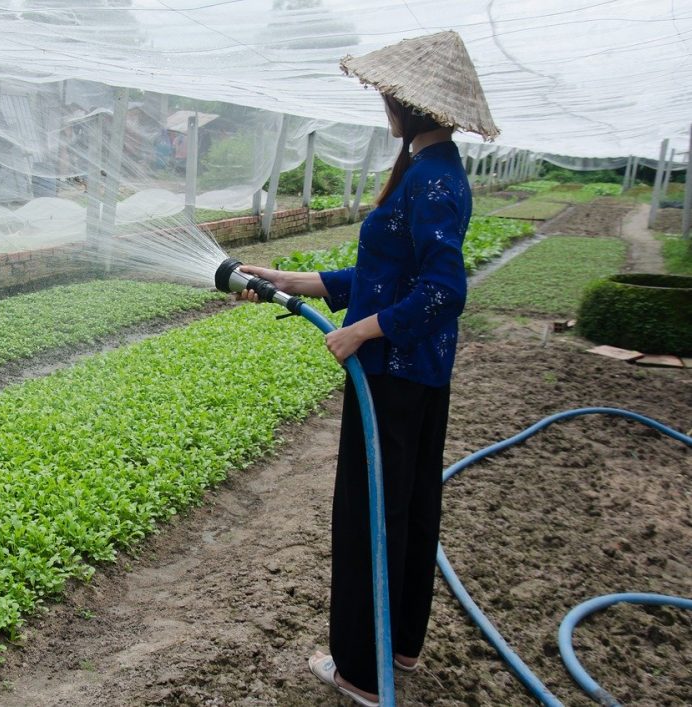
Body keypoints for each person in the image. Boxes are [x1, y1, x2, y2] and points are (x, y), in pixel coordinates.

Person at [237, 31, 498, 706]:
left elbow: (445, 291)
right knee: (407, 508)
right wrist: (285, 278)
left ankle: (359, 668)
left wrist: (363, 332)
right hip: (415, 376)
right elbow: (381, 275)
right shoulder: (428, 169)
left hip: (393, 376)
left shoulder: (433, 180)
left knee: (369, 515)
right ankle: (400, 644)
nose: (382, 103)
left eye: (387, 95)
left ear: (408, 104)